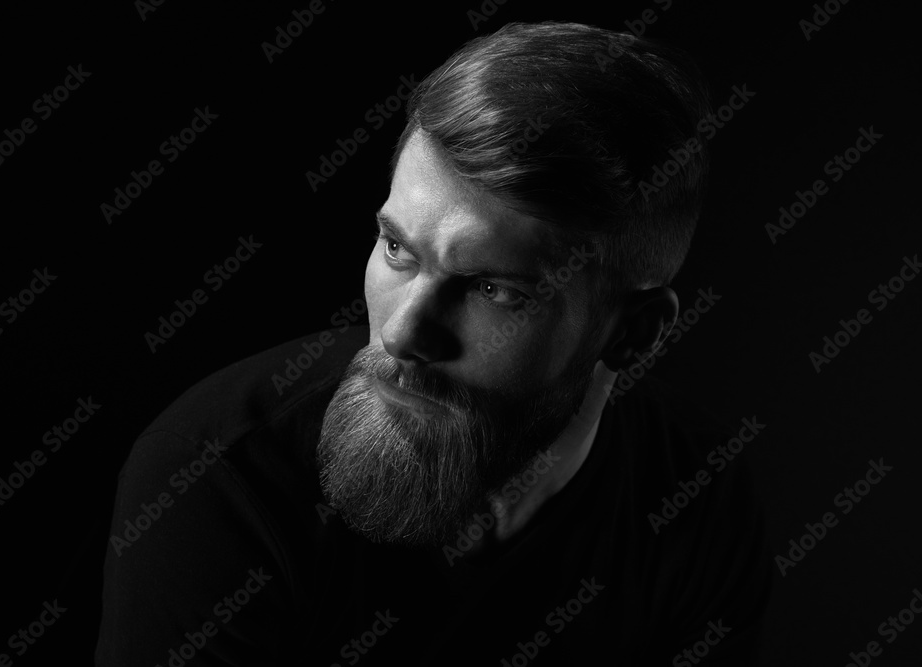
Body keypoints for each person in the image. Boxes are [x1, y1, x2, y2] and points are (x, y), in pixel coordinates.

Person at [96, 21, 771, 666]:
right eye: (397, 248)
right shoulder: (217, 475)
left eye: (493, 290)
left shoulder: (697, 507)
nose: (402, 332)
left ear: (634, 332)